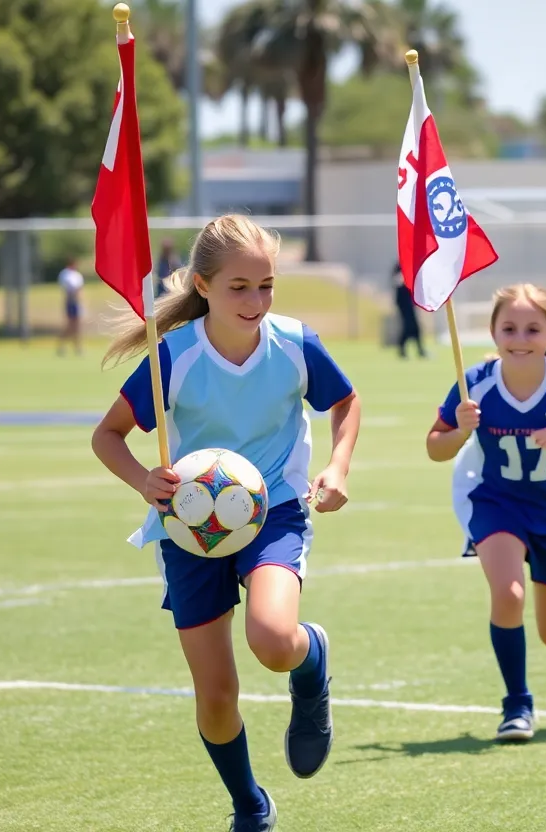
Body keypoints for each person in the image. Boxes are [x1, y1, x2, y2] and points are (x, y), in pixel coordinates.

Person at [91, 214, 361, 832]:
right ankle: (249, 803)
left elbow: (346, 401)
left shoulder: (294, 343)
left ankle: (310, 657)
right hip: (189, 531)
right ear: (203, 286)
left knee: (271, 640)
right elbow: (107, 436)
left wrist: (337, 466)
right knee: (215, 696)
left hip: (277, 511)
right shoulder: (174, 357)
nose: (256, 300)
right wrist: (145, 482)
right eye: (240, 287)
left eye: (266, 285)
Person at [426, 283, 546, 742]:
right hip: (496, 504)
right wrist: (460, 431)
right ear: (493, 332)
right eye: (508, 327)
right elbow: (435, 446)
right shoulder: (474, 381)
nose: (519, 337)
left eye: (532, 328)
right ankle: (517, 705)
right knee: (508, 593)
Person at [391, 262, 427, 359]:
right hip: (403, 302)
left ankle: (419, 350)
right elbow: (396, 281)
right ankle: (403, 350)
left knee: (415, 327)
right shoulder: (399, 266)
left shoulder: (410, 265)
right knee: (408, 326)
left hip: (410, 301)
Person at [57, 257, 85, 356]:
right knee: (70, 325)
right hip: (70, 302)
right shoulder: (65, 274)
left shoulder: (77, 275)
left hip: (77, 303)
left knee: (77, 326)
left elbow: (80, 289)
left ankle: (77, 347)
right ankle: (61, 345)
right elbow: (68, 289)